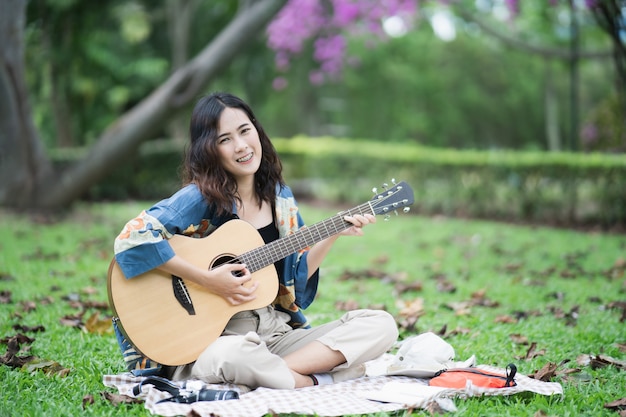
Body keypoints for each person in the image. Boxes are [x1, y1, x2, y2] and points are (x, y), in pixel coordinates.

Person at [113, 92, 398, 390]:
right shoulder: (200, 198)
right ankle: (318, 378)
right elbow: (132, 238)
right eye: (225, 139)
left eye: (245, 131)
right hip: (214, 342)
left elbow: (295, 289)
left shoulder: (281, 199)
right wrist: (207, 280)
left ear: (257, 130)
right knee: (234, 356)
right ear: (209, 150)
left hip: (275, 334)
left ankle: (284, 375)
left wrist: (333, 233)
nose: (241, 146)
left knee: (381, 325)